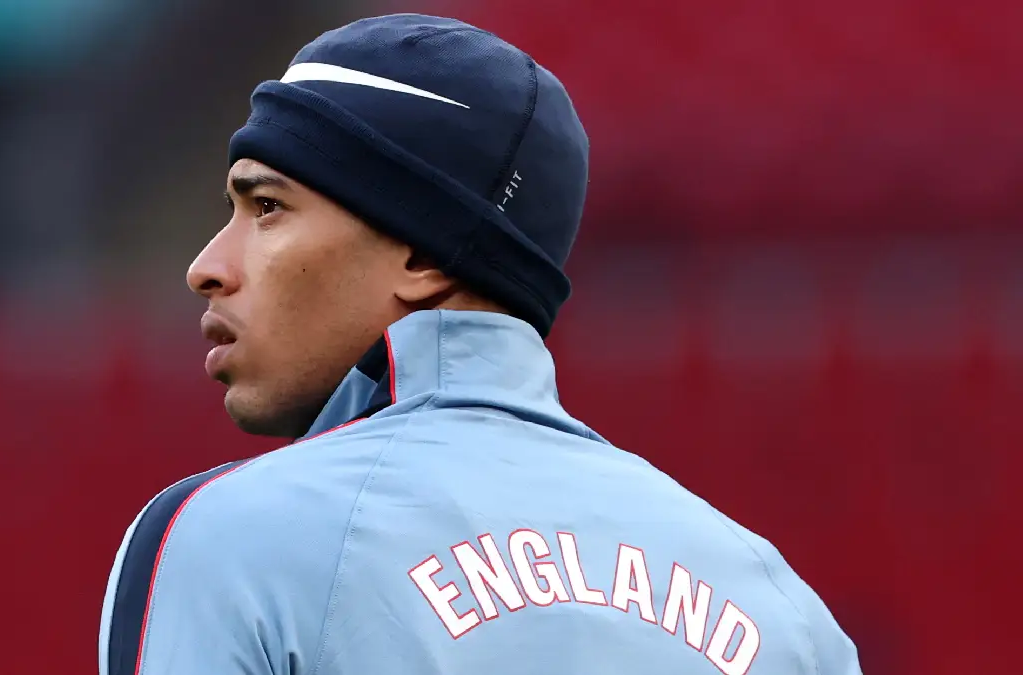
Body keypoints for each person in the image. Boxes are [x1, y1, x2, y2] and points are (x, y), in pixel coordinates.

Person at [98, 13, 862, 675]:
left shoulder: (229, 540)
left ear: (429, 254)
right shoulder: (783, 607)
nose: (207, 267)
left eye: (266, 205)